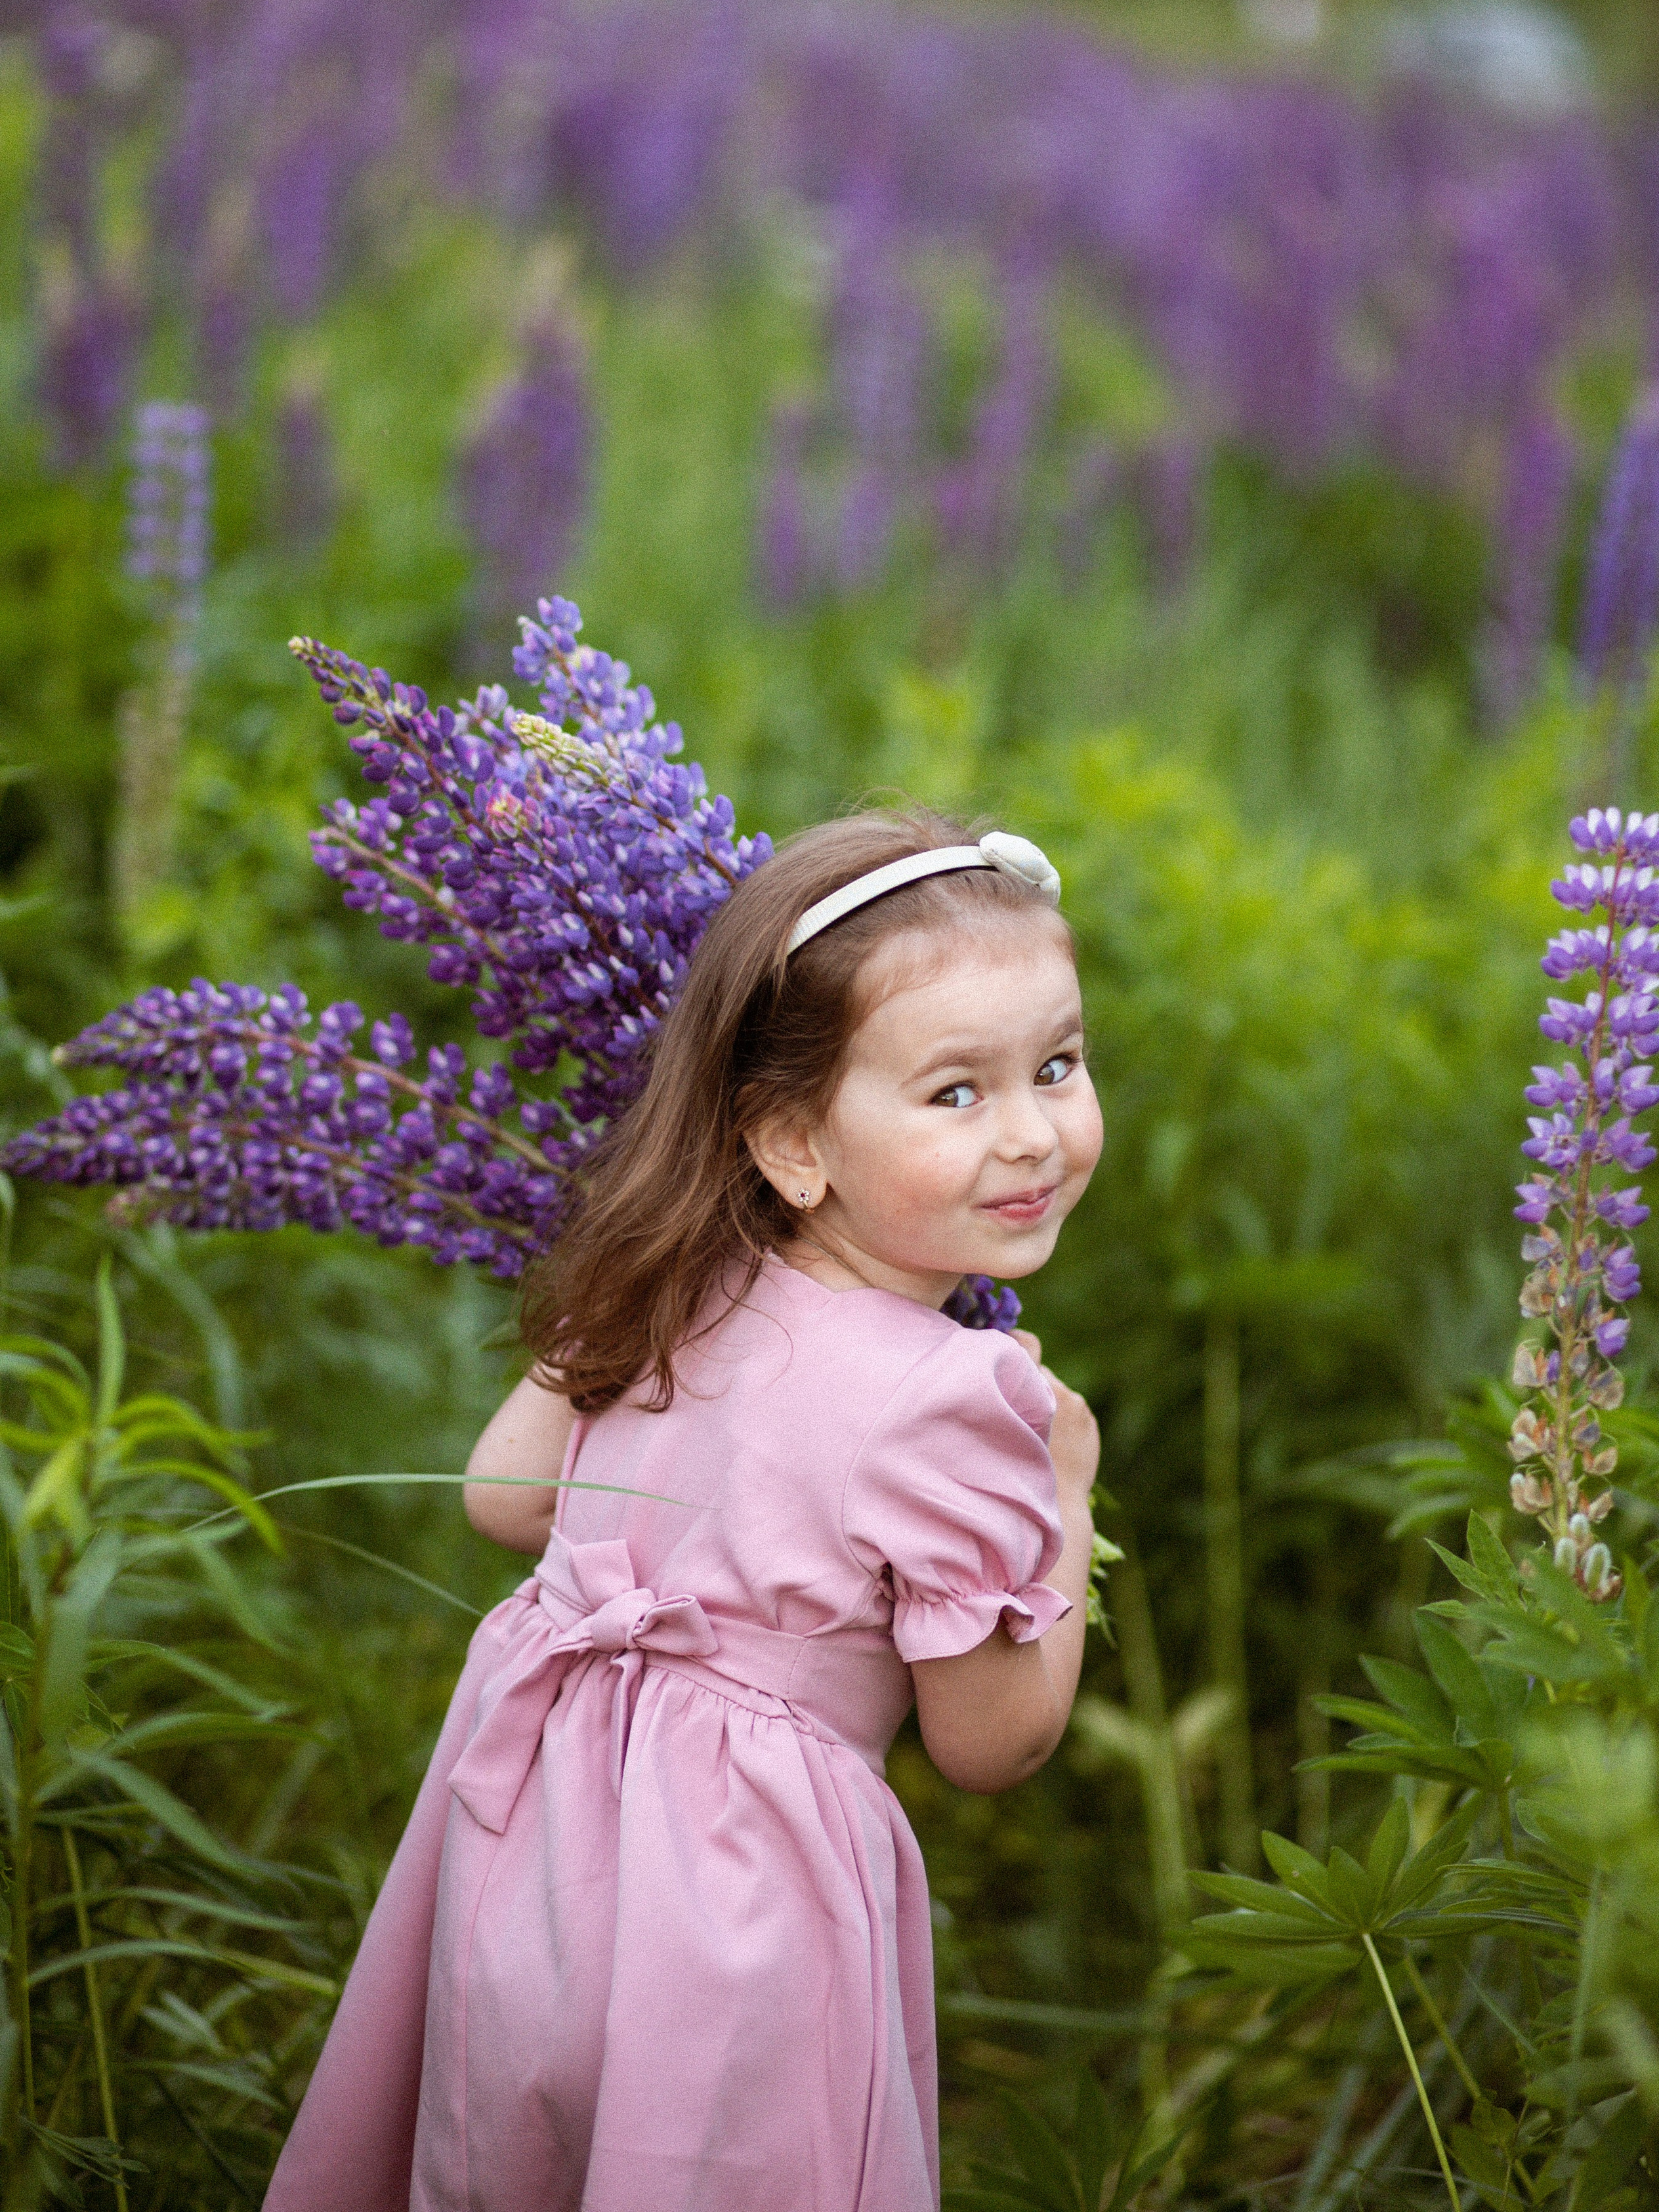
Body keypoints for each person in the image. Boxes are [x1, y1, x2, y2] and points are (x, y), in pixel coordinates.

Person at [263, 805, 1104, 2212]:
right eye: (956, 1092)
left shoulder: (674, 1282)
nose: (1030, 1134)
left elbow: (503, 1495)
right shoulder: (960, 1401)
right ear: (792, 1145)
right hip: (736, 1915)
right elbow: (989, 1741)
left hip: (532, 1858)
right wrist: (1064, 1497)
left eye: (1057, 1067)